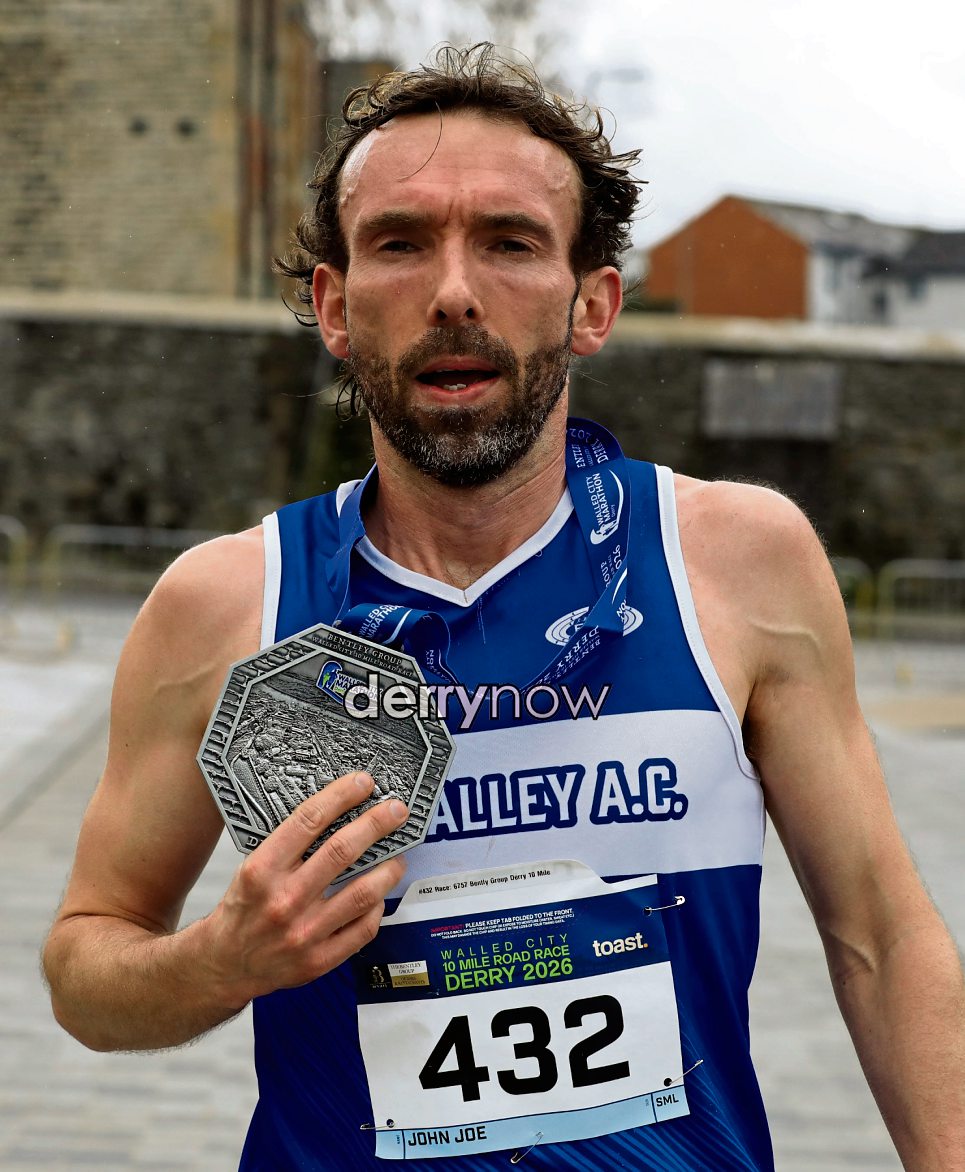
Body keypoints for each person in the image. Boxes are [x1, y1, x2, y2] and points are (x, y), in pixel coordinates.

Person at [43, 43, 963, 1172]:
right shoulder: (226, 602)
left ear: (592, 304)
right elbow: (86, 971)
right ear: (332, 306)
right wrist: (220, 958)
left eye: (509, 242)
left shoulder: (736, 561)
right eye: (398, 242)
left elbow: (880, 935)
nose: (452, 292)